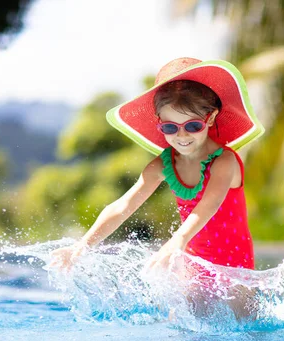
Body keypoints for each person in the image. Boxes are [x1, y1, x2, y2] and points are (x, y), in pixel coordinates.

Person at [49, 58, 264, 315]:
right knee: (184, 332)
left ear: (210, 118)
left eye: (192, 125)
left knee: (244, 333)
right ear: (159, 123)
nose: (181, 136)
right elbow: (123, 205)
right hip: (192, 267)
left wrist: (177, 241)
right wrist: (82, 246)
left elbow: (209, 205)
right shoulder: (163, 165)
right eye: (170, 127)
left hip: (234, 268)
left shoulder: (224, 161)